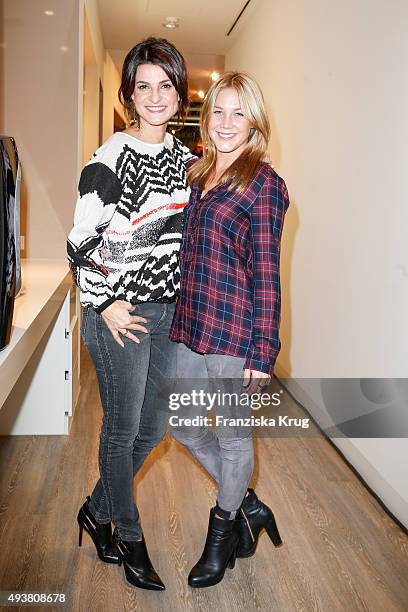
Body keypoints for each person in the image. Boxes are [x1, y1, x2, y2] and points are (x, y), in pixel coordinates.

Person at [67, 37, 193, 591]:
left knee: (154, 426)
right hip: (117, 311)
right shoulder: (109, 159)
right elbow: (79, 243)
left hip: (167, 312)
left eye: (165, 85)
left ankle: (96, 509)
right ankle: (129, 534)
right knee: (122, 429)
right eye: (144, 86)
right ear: (128, 96)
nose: (155, 96)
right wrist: (104, 301)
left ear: (180, 95)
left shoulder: (189, 162)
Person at [169, 71, 289, 588]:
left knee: (235, 441)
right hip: (192, 324)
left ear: (255, 122)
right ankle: (250, 507)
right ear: (206, 114)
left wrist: (262, 352)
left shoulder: (264, 184)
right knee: (186, 427)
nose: (226, 122)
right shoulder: (199, 175)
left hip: (236, 333)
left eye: (239, 113)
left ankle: (220, 537)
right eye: (219, 109)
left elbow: (267, 272)